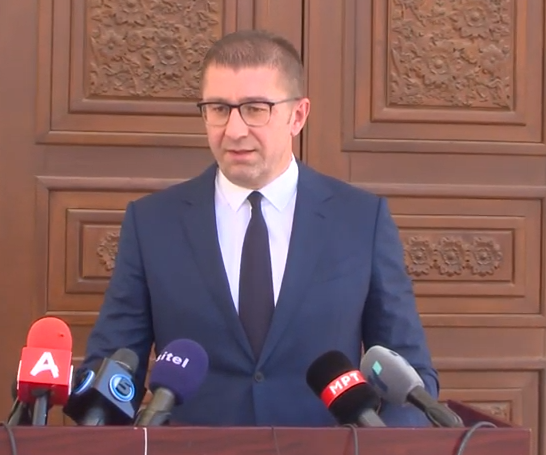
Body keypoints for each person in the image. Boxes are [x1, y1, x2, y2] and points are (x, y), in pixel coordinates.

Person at [81, 29, 439, 427]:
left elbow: (409, 378)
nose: (234, 130)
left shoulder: (360, 220)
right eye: (219, 108)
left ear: (297, 116)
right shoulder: (152, 222)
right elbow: (113, 369)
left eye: (255, 109)